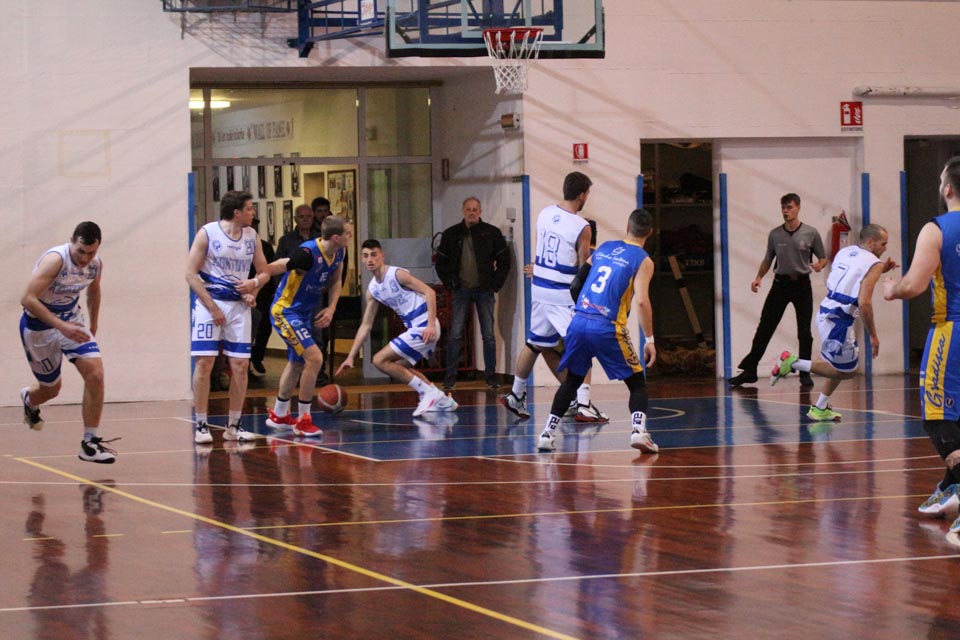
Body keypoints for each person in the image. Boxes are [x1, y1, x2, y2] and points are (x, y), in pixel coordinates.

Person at [536, 208, 658, 452]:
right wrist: (649, 339)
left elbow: (576, 284)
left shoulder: (604, 248)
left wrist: (583, 309)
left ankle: (547, 433)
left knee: (572, 380)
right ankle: (638, 432)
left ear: (627, 226)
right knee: (637, 382)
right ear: (650, 233)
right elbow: (642, 301)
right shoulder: (643, 260)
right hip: (607, 326)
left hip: (579, 322)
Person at [883, 156, 960, 532]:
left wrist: (890, 289)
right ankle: (949, 488)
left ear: (947, 188)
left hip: (951, 330)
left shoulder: (937, 228)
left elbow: (913, 284)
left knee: (936, 415)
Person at [500, 171, 608, 422]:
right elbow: (583, 266)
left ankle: (516, 393)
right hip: (562, 294)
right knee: (583, 346)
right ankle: (583, 404)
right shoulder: (582, 226)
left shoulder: (545, 213)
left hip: (539, 288)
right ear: (582, 195)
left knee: (535, 344)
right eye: (587, 194)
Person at [770, 224, 897, 420]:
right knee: (847, 371)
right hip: (838, 321)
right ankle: (793, 363)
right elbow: (864, 302)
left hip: (827, 310)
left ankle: (820, 408)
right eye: (883, 244)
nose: (885, 248)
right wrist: (873, 335)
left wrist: (880, 270)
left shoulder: (846, 252)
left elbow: (854, 275)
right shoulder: (874, 264)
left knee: (842, 364)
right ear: (871, 242)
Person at [19, 222, 118, 463]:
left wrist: (93, 325)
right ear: (71, 241)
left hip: (72, 321)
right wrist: (60, 326)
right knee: (51, 389)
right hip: (39, 327)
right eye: (80, 251)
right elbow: (28, 299)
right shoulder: (55, 260)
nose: (85, 258)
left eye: (91, 252)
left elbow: (94, 291)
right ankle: (29, 399)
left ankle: (89, 443)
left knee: (96, 374)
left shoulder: (95, 264)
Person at [186, 190, 271, 445]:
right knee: (205, 363)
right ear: (237, 212)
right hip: (209, 303)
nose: (253, 212)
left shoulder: (252, 236)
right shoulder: (207, 233)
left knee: (240, 365)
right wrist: (212, 307)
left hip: (238, 307)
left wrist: (253, 288)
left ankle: (234, 425)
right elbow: (190, 274)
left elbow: (264, 272)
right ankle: (201, 423)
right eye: (250, 208)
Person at [336, 239, 458, 417]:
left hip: (424, 325)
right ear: (362, 259)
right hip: (415, 328)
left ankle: (428, 394)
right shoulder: (373, 290)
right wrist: (350, 356)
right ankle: (441, 400)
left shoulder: (396, 274)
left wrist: (431, 325)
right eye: (366, 256)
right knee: (399, 368)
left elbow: (430, 292)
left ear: (382, 256)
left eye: (374, 255)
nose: (370, 259)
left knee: (379, 360)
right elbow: (366, 325)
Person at [265, 215, 353, 437]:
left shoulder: (340, 252)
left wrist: (331, 308)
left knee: (296, 363)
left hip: (304, 312)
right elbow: (278, 266)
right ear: (336, 237)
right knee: (315, 358)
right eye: (348, 234)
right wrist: (254, 282)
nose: (351, 237)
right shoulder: (307, 253)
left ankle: (279, 415)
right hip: (285, 311)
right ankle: (304, 420)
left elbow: (336, 280)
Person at [728, 193, 827, 387]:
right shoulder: (775, 234)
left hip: (802, 285)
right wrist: (758, 277)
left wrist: (819, 265)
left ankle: (804, 372)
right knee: (765, 328)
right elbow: (768, 259)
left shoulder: (811, 233)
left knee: (804, 331)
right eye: (783, 207)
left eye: (789, 207)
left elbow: (823, 257)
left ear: (798, 207)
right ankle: (750, 371)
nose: (785, 211)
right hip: (780, 285)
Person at [435, 196, 512, 391]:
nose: (471, 212)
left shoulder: (491, 233)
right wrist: (450, 284)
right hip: (460, 290)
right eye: (468, 209)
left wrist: (495, 284)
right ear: (463, 211)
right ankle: (450, 378)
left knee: (489, 335)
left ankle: (491, 377)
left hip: (484, 290)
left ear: (480, 211)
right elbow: (440, 263)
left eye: (475, 209)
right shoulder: (451, 234)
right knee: (455, 334)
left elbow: (505, 261)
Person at [249, 216, 277, 378]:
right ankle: (246, 365)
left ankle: (257, 356)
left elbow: (269, 271)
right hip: (245, 291)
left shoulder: (265, 247)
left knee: (265, 327)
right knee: (246, 330)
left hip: (264, 294)